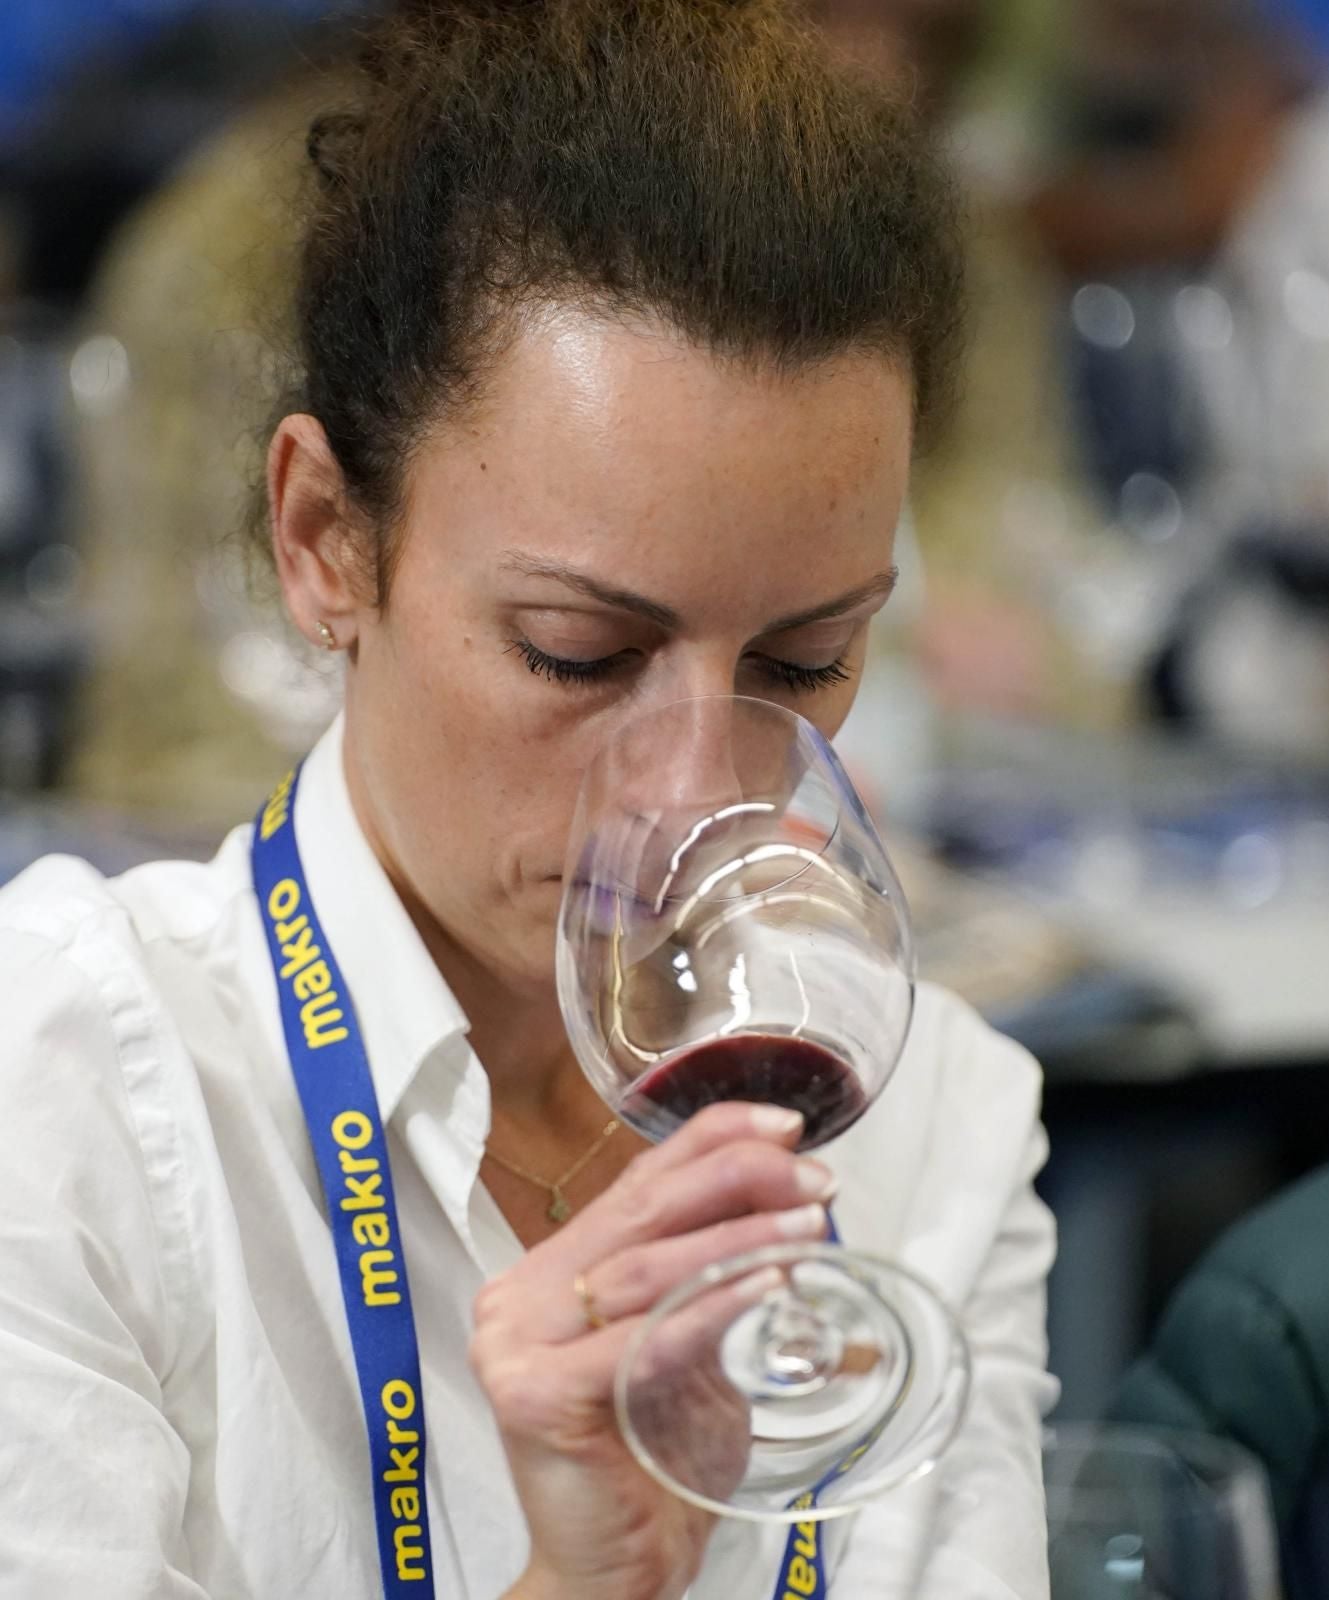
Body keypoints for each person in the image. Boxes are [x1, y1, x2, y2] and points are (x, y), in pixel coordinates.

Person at [0, 4, 1057, 1597]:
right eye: (579, 654)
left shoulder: (933, 1122)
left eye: (805, 660)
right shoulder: (67, 1095)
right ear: (323, 542)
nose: (697, 791)